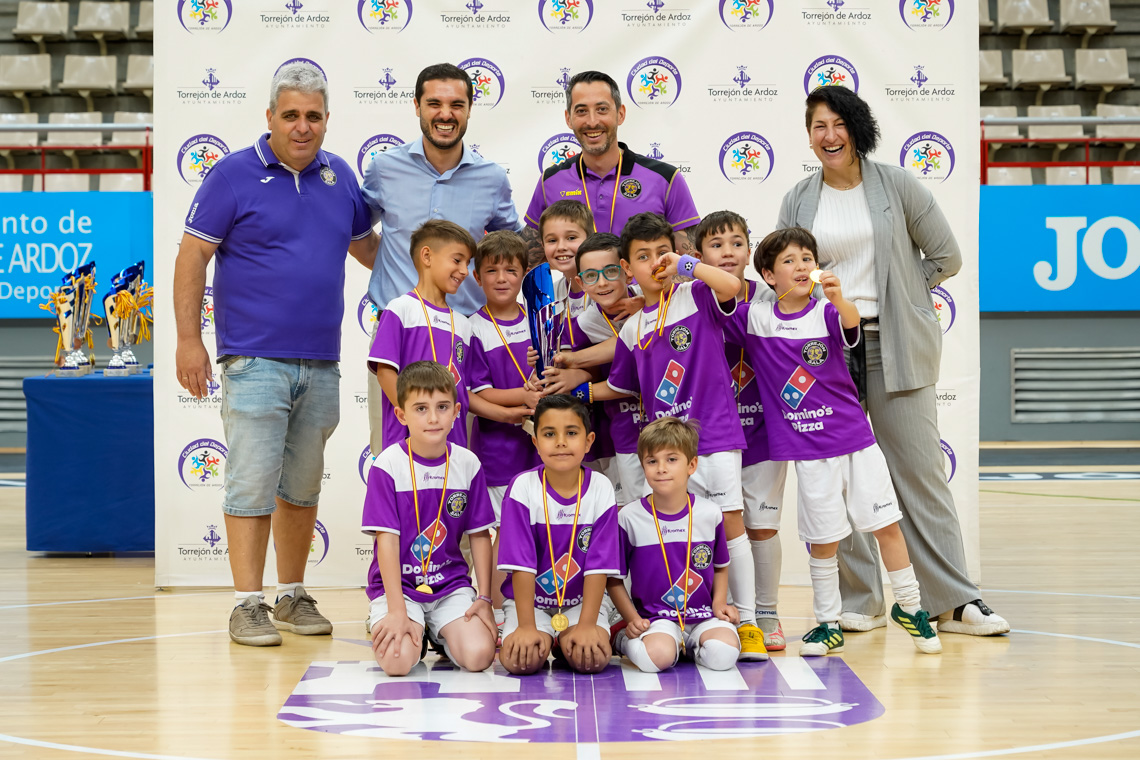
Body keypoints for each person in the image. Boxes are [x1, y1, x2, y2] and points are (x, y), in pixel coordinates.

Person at [777, 86, 1009, 636]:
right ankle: (860, 599)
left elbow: (946, 257)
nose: (829, 136)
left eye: (838, 124)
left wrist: (904, 293)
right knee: (837, 472)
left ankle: (952, 601)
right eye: (818, 127)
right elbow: (788, 270)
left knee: (919, 473)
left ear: (857, 128)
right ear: (808, 135)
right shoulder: (798, 199)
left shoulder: (897, 184)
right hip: (826, 349)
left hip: (893, 343)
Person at [173, 62, 378, 646]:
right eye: (290, 115)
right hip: (253, 360)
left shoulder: (341, 177)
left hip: (322, 361)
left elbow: (371, 254)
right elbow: (191, 262)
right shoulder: (231, 176)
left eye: (313, 116)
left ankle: (291, 595)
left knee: (301, 487)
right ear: (269, 117)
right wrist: (191, 340)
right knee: (251, 483)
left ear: (327, 121)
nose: (302, 126)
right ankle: (246, 603)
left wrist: (441, 268)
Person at [727, 227, 942, 657]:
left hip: (854, 441)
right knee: (823, 541)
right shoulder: (757, 318)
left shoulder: (826, 312)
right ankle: (827, 623)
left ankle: (911, 608)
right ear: (768, 275)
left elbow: (848, 322)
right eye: (789, 261)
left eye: (807, 257)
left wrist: (839, 297)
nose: (801, 266)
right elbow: (726, 296)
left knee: (886, 526)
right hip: (808, 453)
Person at [596, 212, 768, 661]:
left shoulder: (695, 293)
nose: (654, 262)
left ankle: (745, 621)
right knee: (677, 532)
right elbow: (619, 386)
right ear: (627, 268)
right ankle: (669, 618)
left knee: (731, 529)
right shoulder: (632, 327)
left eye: (661, 252)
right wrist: (569, 385)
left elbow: (732, 287)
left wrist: (686, 265)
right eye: (642, 257)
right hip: (666, 452)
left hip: (712, 437)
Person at [362, 62, 525, 456]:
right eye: (434, 103)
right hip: (397, 334)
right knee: (394, 451)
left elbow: (511, 246)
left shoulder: (492, 178)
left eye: (456, 104)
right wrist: (396, 276)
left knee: (460, 455)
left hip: (464, 335)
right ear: (416, 106)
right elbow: (356, 234)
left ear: (469, 109)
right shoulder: (384, 168)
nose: (445, 114)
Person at [362, 361, 498, 676]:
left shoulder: (468, 463)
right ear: (401, 414)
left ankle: (440, 632)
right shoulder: (388, 465)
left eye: (442, 407)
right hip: (399, 588)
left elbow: (479, 535)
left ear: (457, 411)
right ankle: (414, 627)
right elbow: (387, 541)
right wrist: (396, 610)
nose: (434, 418)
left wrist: (485, 598)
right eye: (421, 408)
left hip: (450, 585)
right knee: (397, 662)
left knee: (479, 656)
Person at [694, 210, 788, 652]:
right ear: (699, 254)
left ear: (750, 251)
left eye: (736, 243)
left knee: (762, 526)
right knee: (716, 526)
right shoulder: (693, 297)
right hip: (714, 434)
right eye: (716, 245)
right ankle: (725, 609)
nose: (727, 252)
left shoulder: (775, 299)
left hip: (763, 431)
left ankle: (766, 612)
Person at [367, 220, 522, 453]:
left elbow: (465, 392)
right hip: (407, 443)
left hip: (453, 447)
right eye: (457, 260)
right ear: (427, 256)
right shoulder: (400, 309)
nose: (463, 271)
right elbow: (386, 372)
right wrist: (417, 420)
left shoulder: (463, 324)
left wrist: (506, 415)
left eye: (467, 264)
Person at [497, 395, 620, 676]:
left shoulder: (600, 487)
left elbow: (598, 566)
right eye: (549, 434)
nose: (561, 442)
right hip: (531, 603)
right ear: (535, 442)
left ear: (589, 441)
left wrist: (588, 625)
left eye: (571, 433)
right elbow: (522, 566)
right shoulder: (522, 487)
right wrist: (527, 627)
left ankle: (570, 638)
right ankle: (544, 636)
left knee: (591, 659)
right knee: (520, 662)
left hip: (580, 603)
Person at [608, 418, 742, 673]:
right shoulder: (629, 517)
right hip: (654, 619)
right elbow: (614, 579)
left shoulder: (710, 513)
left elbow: (720, 566)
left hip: (703, 616)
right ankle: (623, 639)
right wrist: (632, 620)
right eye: (652, 461)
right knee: (655, 660)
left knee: (725, 655)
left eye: (671, 459)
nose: (661, 468)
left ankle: (690, 647)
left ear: (691, 465)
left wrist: (719, 603)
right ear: (643, 466)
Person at [524, 71, 699, 253]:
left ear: (620, 114)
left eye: (602, 109)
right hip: (576, 282)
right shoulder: (550, 181)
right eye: (582, 111)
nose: (592, 122)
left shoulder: (666, 179)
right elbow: (530, 260)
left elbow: (690, 262)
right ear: (569, 118)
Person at [467, 230, 543, 615]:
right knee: (500, 527)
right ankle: (493, 608)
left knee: (538, 523)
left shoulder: (539, 320)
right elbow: (478, 395)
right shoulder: (473, 328)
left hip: (540, 444)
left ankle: (533, 603)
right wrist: (523, 398)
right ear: (476, 277)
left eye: (510, 270)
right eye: (491, 270)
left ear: (524, 274)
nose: (501, 278)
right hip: (497, 448)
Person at [560, 232, 645, 503]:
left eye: (610, 271)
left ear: (627, 271)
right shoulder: (584, 324)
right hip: (624, 429)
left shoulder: (655, 302)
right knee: (634, 513)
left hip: (673, 421)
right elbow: (581, 373)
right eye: (591, 276)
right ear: (580, 282)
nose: (602, 282)